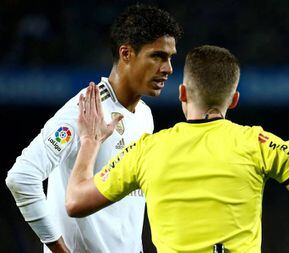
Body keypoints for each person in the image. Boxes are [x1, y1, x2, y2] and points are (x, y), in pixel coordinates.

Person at [65, 45, 289, 253]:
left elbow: (76, 200)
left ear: (182, 93)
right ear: (233, 100)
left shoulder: (146, 151)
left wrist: (91, 142)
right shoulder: (258, 143)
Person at [5, 4, 182, 253]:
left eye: (170, 58)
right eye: (158, 56)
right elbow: (21, 177)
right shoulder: (84, 111)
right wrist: (58, 249)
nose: (168, 69)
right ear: (126, 53)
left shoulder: (144, 116)